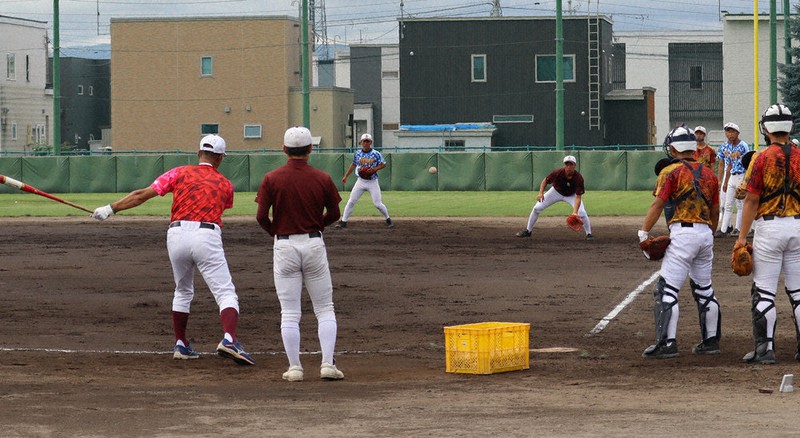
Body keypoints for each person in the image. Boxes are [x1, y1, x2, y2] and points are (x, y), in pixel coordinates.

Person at [90, 134, 255, 365]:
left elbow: (141, 196)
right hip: (207, 234)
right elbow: (222, 206)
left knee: (183, 290)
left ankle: (181, 344)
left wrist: (109, 209)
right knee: (226, 293)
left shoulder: (178, 172)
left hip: (176, 234)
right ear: (219, 159)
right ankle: (229, 339)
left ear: (199, 153)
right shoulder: (225, 184)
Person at [255, 126, 345, 381]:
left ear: (284, 149)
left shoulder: (271, 178)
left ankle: (295, 368)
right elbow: (335, 214)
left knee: (290, 312)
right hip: (314, 243)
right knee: (325, 308)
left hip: (284, 245)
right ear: (310, 149)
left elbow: (261, 216)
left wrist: (277, 232)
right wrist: (318, 225)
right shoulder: (322, 177)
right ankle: (327, 364)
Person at [638, 126, 721, 359]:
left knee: (666, 290)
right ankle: (711, 341)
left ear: (673, 148)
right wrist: (709, 234)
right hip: (705, 233)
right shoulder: (709, 173)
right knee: (704, 289)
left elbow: (657, 205)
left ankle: (667, 344)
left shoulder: (670, 171)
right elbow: (715, 210)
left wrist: (643, 233)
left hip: (683, 234)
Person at [734, 104, 800, 365]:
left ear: (766, 128)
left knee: (764, 291)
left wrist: (741, 237)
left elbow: (751, 200)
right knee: (798, 292)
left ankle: (765, 349)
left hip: (770, 228)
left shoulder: (761, 158)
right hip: (797, 226)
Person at [516, 155, 593, 240]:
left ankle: (589, 234)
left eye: (570, 164)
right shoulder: (558, 172)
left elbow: (578, 197)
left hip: (571, 195)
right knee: (536, 208)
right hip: (555, 192)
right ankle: (528, 231)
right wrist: (541, 193)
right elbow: (545, 181)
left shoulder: (578, 178)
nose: (568, 167)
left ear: (574, 166)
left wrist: (574, 212)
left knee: (581, 212)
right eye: (566, 164)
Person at [335, 133, 393, 229]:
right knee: (351, 201)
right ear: (361, 142)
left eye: (367, 141)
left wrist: (374, 169)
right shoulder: (358, 153)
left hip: (372, 181)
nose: (365, 143)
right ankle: (343, 222)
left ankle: (388, 219)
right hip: (361, 181)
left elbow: (383, 164)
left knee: (377, 204)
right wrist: (346, 176)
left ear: (371, 142)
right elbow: (353, 165)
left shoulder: (376, 153)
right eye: (364, 141)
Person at [715, 122, 750, 238]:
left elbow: (748, 163)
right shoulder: (725, 146)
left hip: (741, 175)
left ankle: (738, 228)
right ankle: (724, 229)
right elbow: (727, 164)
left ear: (737, 133)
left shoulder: (743, 145)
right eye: (727, 131)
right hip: (731, 176)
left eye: (732, 131)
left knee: (741, 204)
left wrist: (746, 180)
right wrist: (724, 181)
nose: (729, 134)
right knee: (728, 204)